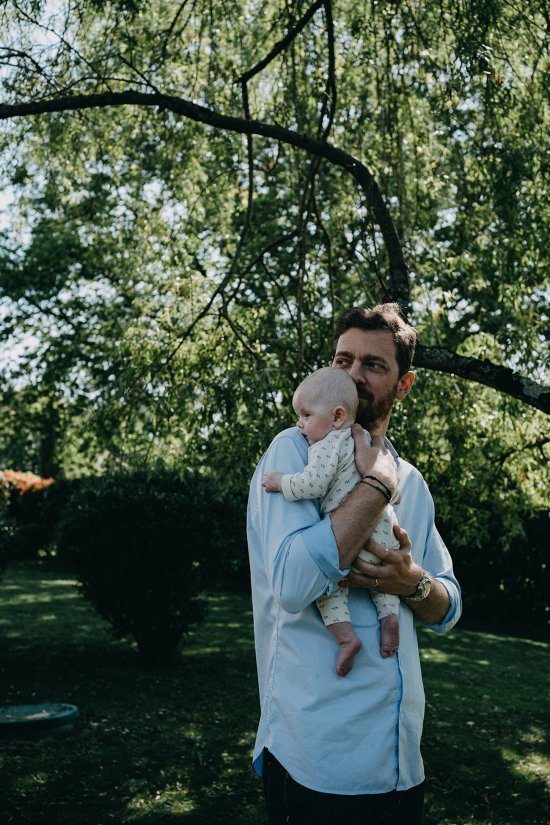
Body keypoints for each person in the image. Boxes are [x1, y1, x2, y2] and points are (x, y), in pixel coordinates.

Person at [247, 303, 462, 825]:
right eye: (343, 360)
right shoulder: (292, 453)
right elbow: (295, 585)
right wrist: (376, 486)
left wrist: (411, 583)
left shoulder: (413, 480)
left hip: (401, 764)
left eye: (373, 364)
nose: (352, 375)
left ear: (403, 385)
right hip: (318, 761)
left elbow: (448, 606)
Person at [262, 367, 401, 674]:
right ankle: (389, 619)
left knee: (330, 590)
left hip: (352, 537)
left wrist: (280, 482)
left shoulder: (326, 445)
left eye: (306, 415)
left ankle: (347, 639)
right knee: (385, 585)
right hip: (384, 529)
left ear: (338, 417)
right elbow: (393, 488)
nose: (300, 426)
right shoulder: (367, 442)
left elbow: (313, 484)